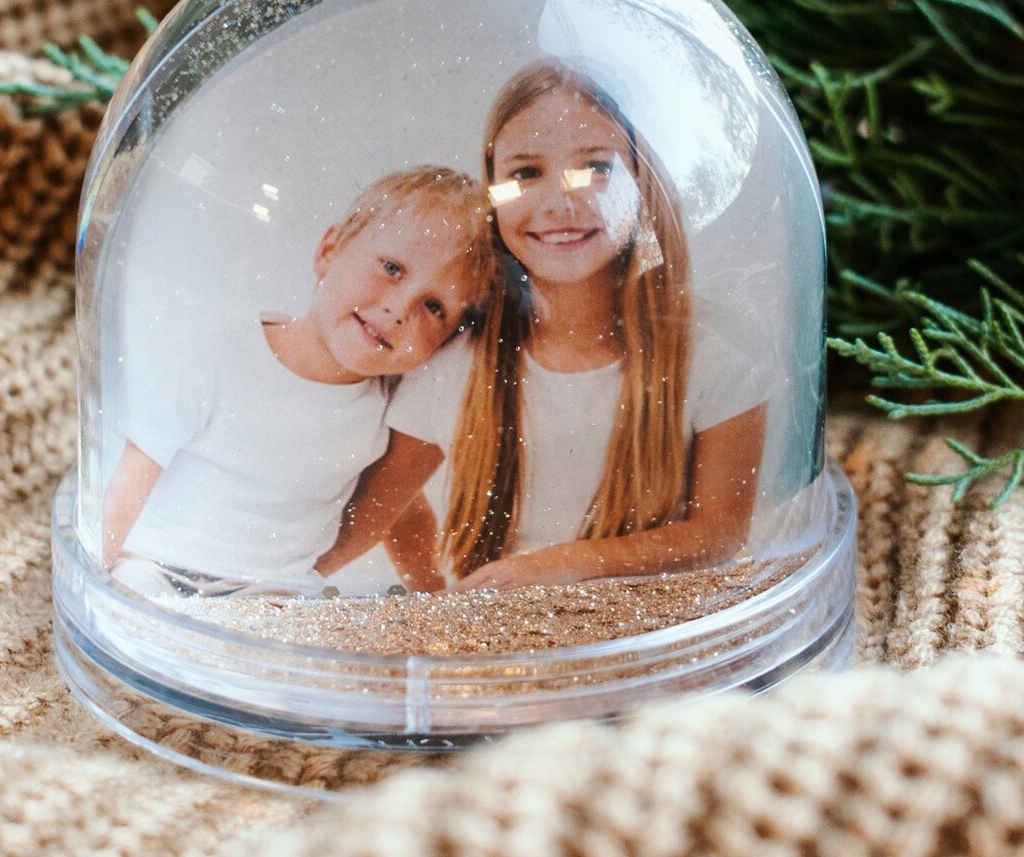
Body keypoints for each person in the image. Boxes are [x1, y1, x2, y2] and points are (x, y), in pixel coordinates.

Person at [318, 60, 767, 591]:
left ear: (642, 183)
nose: (560, 201)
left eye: (596, 168)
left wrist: (554, 567)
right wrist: (429, 599)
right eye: (526, 173)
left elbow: (719, 535)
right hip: (493, 655)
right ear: (492, 198)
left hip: (644, 648)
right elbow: (378, 511)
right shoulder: (455, 363)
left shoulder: (710, 364)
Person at [103, 164, 494, 595]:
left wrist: (429, 589)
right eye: (391, 268)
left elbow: (399, 508)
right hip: (155, 562)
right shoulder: (221, 353)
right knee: (131, 612)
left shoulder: (385, 406)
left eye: (434, 307)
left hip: (273, 591)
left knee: (296, 647)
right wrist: (102, 565)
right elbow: (134, 470)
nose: (400, 308)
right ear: (329, 250)